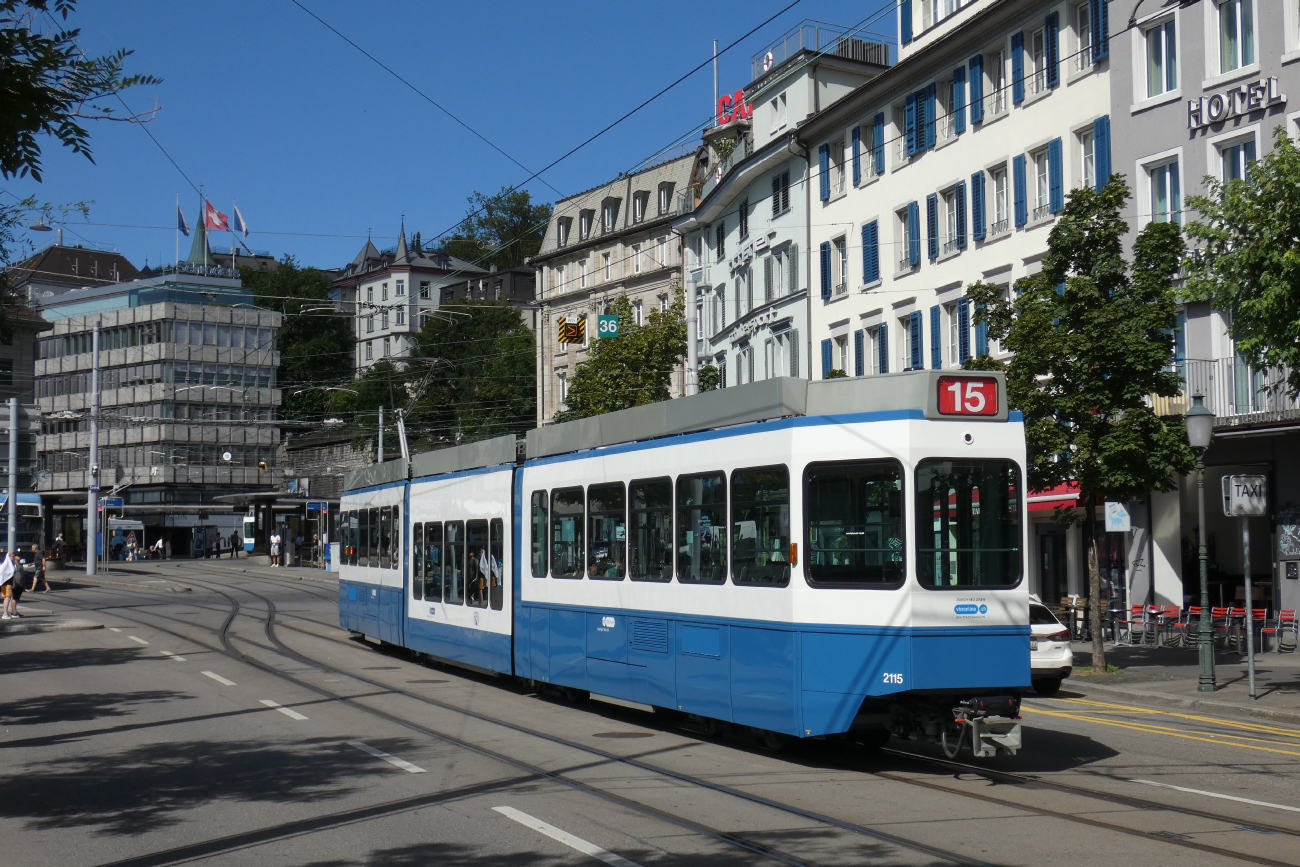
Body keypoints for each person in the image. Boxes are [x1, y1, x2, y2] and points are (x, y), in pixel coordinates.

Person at [1, 550, 18, 619]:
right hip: (7, 583)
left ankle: (6, 613)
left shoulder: (10, 563)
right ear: (9, 556)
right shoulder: (6, 564)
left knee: (7, 598)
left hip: (5, 583)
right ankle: (5, 613)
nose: (14, 557)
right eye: (12, 556)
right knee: (7, 598)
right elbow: (3, 572)